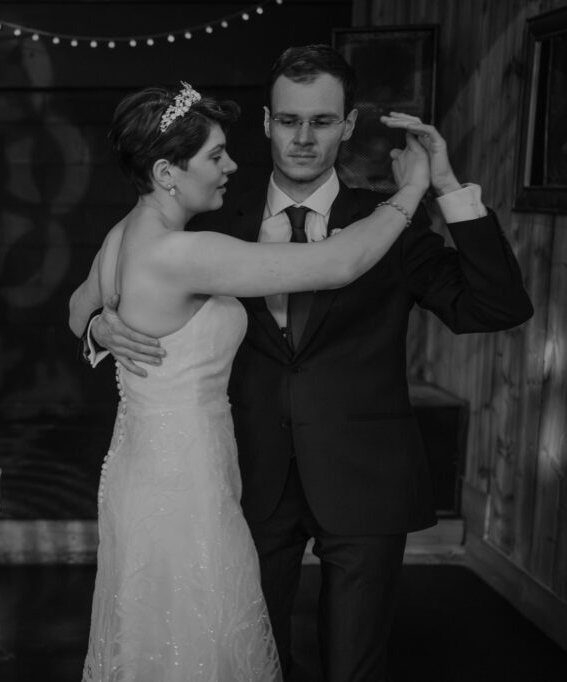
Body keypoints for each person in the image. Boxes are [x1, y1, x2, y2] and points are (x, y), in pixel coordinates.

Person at [73, 46, 534, 682]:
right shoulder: (208, 217)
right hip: (243, 483)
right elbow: (95, 298)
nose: (303, 137)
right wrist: (103, 325)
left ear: (347, 125)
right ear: (267, 121)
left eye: (322, 121)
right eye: (289, 120)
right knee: (245, 659)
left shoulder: (386, 222)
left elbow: (498, 305)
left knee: (353, 670)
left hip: (364, 482)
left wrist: (448, 188)